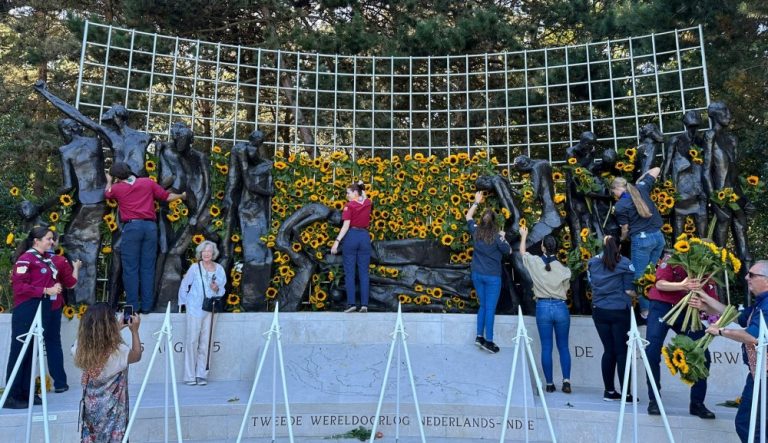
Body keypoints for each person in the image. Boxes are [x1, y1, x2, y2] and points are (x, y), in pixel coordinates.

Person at [692, 260, 768, 442]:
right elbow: (734, 314)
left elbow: (753, 336)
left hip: (764, 376)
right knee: (752, 424)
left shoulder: (767, 305)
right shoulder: (761, 303)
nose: (746, 277)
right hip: (758, 374)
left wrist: (720, 331)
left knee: (748, 424)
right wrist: (705, 300)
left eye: (752, 275)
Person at [104, 162, 185, 314]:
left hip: (132, 228)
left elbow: (107, 193)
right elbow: (166, 197)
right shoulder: (147, 182)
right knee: (148, 268)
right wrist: (182, 195)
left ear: (117, 177)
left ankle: (133, 306)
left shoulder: (116, 188)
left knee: (130, 268)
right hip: (150, 228)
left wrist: (109, 180)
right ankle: (147, 306)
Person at [644, 252, 717, 418]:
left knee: (702, 352)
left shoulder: (708, 272)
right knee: (652, 352)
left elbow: (713, 306)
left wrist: (703, 305)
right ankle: (654, 400)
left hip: (686, 311)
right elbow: (660, 284)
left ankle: (697, 404)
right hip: (661, 306)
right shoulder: (674, 258)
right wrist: (683, 285)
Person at [3, 226, 64, 409]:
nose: (51, 242)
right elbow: (20, 287)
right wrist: (45, 290)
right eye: (48, 239)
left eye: (52, 239)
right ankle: (12, 395)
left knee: (33, 351)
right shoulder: (26, 260)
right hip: (27, 309)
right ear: (36, 241)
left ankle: (27, 392)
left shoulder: (45, 260)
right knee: (20, 350)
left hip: (41, 308)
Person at [73, 303, 142, 442]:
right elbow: (136, 355)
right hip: (114, 416)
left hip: (91, 412)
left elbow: (98, 344)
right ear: (109, 326)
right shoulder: (118, 351)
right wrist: (134, 331)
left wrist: (114, 330)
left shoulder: (79, 348)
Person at [519, 225, 573, 393]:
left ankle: (549, 384)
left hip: (542, 307)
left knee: (546, 347)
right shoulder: (565, 270)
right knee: (563, 346)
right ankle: (566, 380)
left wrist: (523, 235)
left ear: (542, 247)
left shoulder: (535, 263)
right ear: (557, 249)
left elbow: (522, 252)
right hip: (560, 307)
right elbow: (566, 290)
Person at [612, 166, 665, 319]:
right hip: (658, 238)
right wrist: (640, 180)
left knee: (640, 277)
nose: (614, 195)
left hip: (642, 241)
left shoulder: (620, 206)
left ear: (617, 188)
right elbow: (656, 169)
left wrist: (622, 239)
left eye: (613, 192)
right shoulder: (641, 188)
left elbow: (625, 228)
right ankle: (657, 305)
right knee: (652, 274)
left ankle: (646, 311)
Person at [587, 235, 636, 401]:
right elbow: (629, 291)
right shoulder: (625, 263)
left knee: (608, 351)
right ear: (619, 247)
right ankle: (626, 394)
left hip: (599, 311)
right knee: (621, 352)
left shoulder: (592, 263)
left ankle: (609, 391)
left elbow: (591, 282)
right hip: (619, 311)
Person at [465, 191, 512, 354]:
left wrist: (476, 202)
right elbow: (509, 251)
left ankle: (479, 336)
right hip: (492, 277)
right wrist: (503, 236)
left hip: (477, 275)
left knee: (483, 305)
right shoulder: (497, 237)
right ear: (494, 223)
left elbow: (468, 217)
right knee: (490, 308)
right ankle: (489, 341)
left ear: (482, 221)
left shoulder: (476, 231)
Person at [178, 240, 226, 386]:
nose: (206, 253)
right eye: (204, 251)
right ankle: (189, 376)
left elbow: (223, 289)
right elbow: (184, 285)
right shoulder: (194, 267)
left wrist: (216, 288)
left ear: (213, 253)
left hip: (211, 308)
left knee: (207, 342)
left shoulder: (219, 269)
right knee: (192, 341)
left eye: (209, 251)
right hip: (194, 308)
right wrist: (184, 303)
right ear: (201, 253)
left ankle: (202, 374)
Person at [47, 231, 82, 394]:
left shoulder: (27, 258)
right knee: (53, 343)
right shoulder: (59, 260)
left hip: (30, 306)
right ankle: (60, 383)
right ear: (55, 242)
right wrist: (76, 267)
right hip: (53, 307)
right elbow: (72, 284)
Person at [331, 181, 373, 313]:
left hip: (352, 237)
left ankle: (352, 304)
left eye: (348, 192)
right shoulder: (367, 203)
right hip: (365, 238)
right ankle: (365, 304)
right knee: (364, 272)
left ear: (355, 193)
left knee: (350, 272)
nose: (346, 195)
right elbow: (364, 196)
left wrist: (337, 241)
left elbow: (345, 226)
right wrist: (361, 186)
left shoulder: (349, 206)